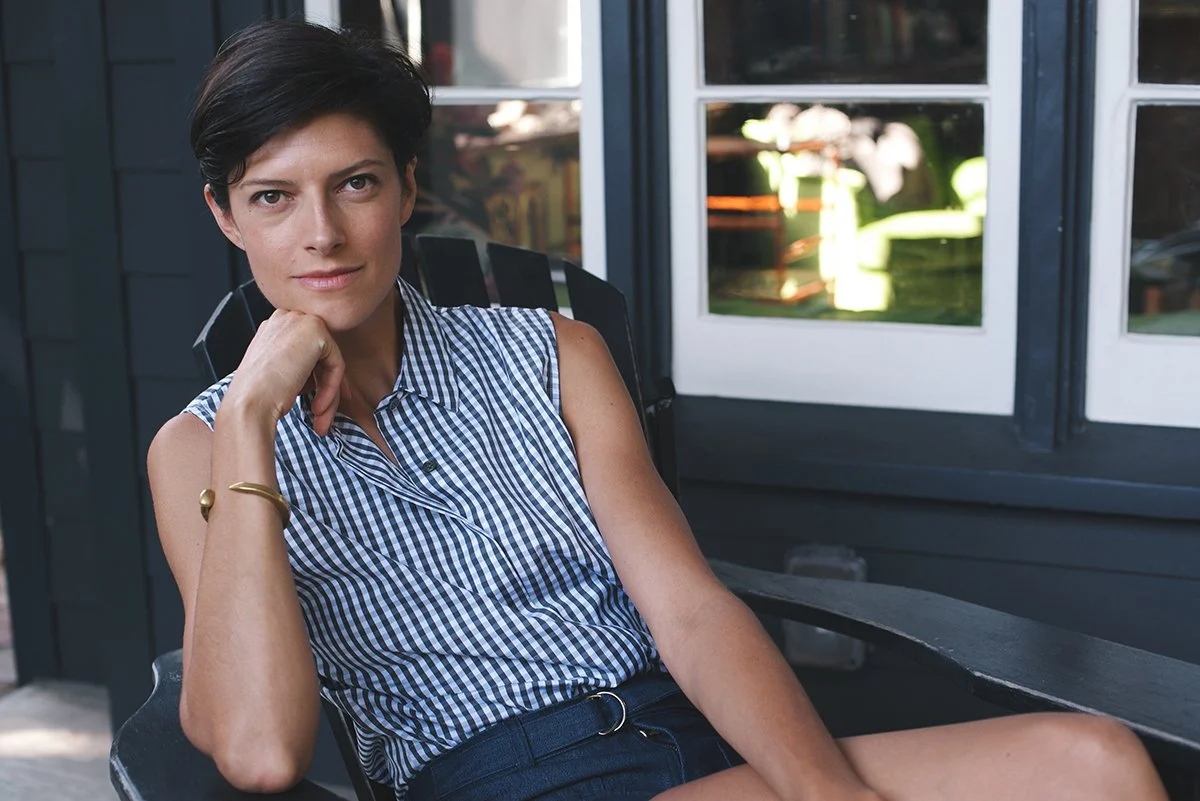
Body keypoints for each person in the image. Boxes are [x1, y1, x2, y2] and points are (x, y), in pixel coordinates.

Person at [148, 19, 1169, 801]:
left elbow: (685, 609)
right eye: (274, 197)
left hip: (699, 749)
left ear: (408, 190)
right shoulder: (199, 445)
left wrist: (825, 791)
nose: (321, 233)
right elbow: (258, 749)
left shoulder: (551, 355)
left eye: (354, 184)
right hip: (509, 778)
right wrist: (250, 424)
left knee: (1092, 760)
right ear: (222, 214)